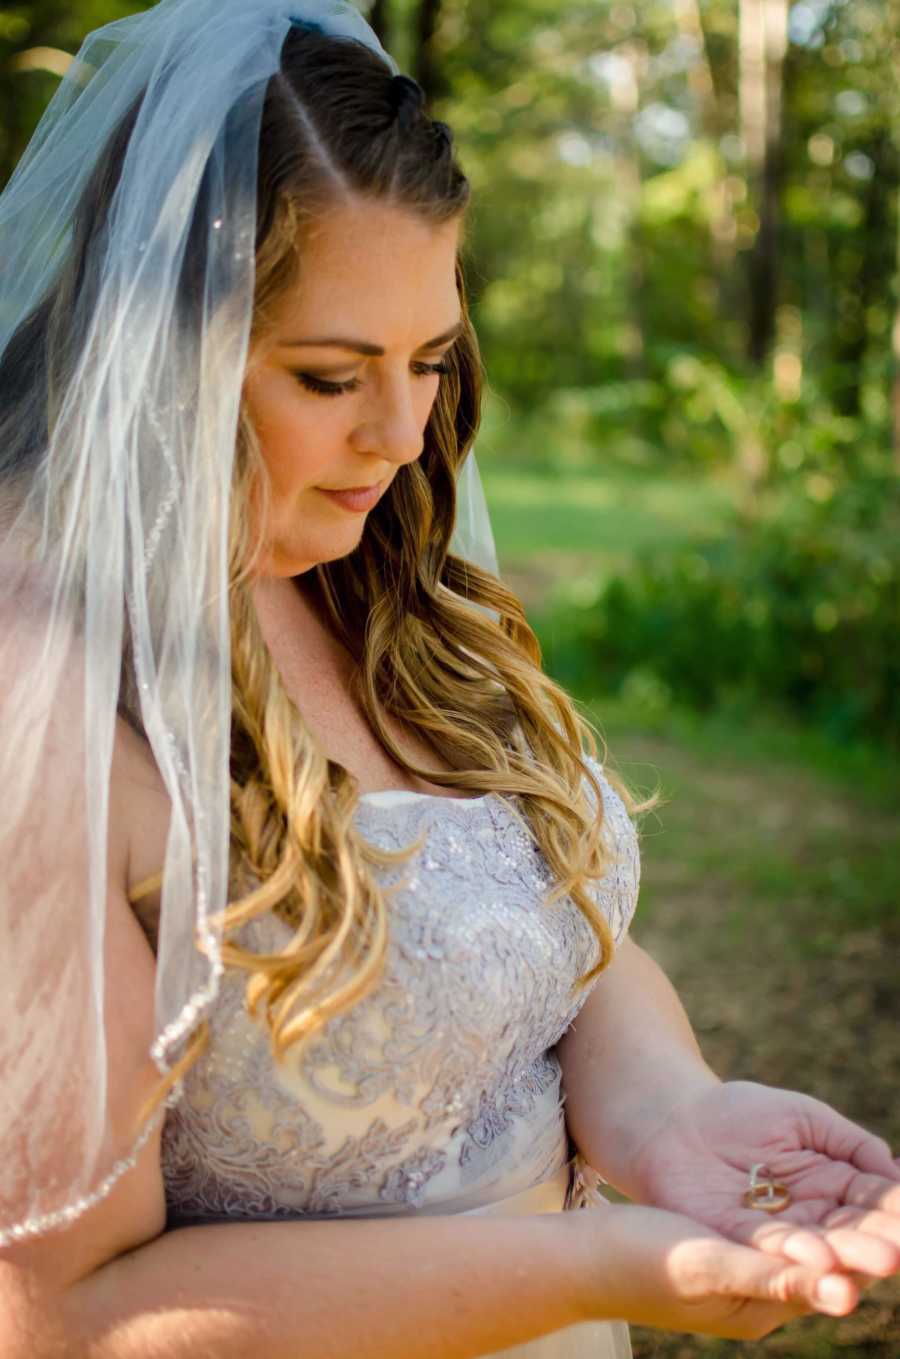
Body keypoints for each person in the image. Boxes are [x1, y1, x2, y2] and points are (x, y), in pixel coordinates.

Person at [0, 3, 898, 1356]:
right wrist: (585, 1265)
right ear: (153, 356)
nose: (406, 434)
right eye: (327, 375)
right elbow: (62, 1318)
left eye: (429, 361)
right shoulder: (44, 706)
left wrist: (668, 1117)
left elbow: (526, 933)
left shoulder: (385, 591)